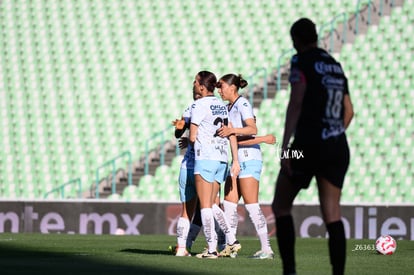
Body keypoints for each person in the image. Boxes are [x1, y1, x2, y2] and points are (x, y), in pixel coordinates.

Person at [271, 18, 354, 275]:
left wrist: (286, 148)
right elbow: (349, 112)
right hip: (337, 145)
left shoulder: (301, 61)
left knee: (281, 205)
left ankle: (290, 271)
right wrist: (332, 134)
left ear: (296, 40)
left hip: (306, 145)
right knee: (332, 213)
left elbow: (295, 103)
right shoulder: (335, 66)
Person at [216, 74, 274, 259]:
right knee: (229, 205)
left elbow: (252, 129)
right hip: (236, 160)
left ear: (232, 88)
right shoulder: (228, 107)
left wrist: (232, 130)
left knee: (251, 205)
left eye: (222, 87)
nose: (219, 90)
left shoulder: (243, 104)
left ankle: (266, 249)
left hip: (249, 159)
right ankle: (230, 246)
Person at [189, 71, 241, 259]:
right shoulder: (221, 105)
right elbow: (230, 132)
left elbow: (193, 136)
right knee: (212, 203)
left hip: (205, 158)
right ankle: (232, 239)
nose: (194, 84)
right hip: (221, 158)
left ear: (202, 86)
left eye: (195, 82)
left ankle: (212, 249)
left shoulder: (199, 104)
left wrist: (188, 140)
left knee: (205, 206)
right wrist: (234, 159)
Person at [171, 88, 203, 257]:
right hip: (203, 164)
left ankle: (182, 247)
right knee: (210, 207)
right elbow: (179, 133)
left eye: (196, 88)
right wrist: (179, 128)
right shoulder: (193, 109)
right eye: (193, 89)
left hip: (189, 165)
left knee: (190, 211)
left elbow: (184, 135)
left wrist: (183, 131)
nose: (194, 91)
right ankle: (220, 246)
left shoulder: (194, 110)